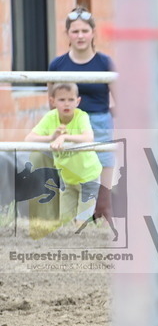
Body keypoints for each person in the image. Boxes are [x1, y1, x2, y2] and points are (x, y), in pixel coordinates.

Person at [48, 6, 115, 221]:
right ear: (67, 34)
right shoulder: (57, 65)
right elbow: (51, 101)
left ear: (93, 33)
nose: (80, 36)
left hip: (99, 123)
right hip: (70, 126)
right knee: (73, 180)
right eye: (75, 31)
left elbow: (120, 98)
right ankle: (73, 226)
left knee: (102, 194)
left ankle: (101, 215)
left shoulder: (105, 63)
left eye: (85, 30)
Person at [24, 83, 102, 225]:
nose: (67, 104)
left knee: (82, 223)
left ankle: (86, 243)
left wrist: (65, 138)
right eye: (61, 100)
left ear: (77, 101)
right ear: (52, 101)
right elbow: (29, 139)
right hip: (68, 179)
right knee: (64, 222)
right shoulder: (50, 117)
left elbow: (88, 138)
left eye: (71, 100)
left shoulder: (81, 116)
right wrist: (51, 137)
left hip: (88, 177)